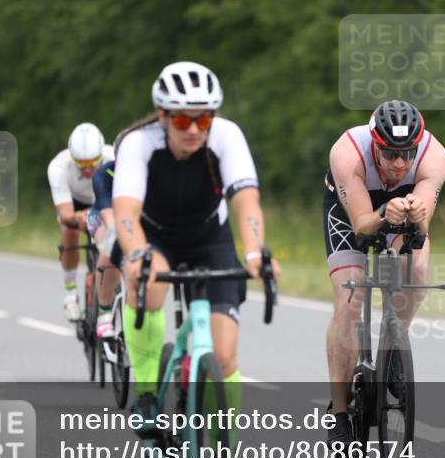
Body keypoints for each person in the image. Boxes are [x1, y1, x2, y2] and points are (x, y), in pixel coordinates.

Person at [113, 61, 280, 432]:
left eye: (202, 121)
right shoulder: (137, 143)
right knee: (149, 282)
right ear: (162, 115)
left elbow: (245, 200)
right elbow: (126, 210)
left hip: (208, 237)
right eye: (182, 121)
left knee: (223, 358)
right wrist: (138, 257)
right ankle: (146, 394)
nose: (193, 130)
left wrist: (254, 252)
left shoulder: (226, 136)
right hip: (155, 235)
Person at [322, 100, 445, 445]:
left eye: (407, 153)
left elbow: (420, 230)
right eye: (390, 153)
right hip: (352, 212)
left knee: (417, 265)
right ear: (373, 142)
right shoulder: (347, 151)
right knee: (351, 299)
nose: (399, 163)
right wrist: (383, 213)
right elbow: (363, 225)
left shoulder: (434, 156)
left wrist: (417, 215)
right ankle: (337, 410)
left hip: (401, 213)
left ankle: (394, 345)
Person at [47, 123, 115, 322]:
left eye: (93, 163)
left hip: (105, 198)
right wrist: (79, 218)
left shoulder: (114, 157)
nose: (88, 170)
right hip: (76, 203)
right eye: (81, 164)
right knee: (70, 232)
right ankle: (70, 293)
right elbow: (66, 214)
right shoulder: (59, 166)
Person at [86, 159, 122, 339]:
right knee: (109, 249)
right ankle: (105, 313)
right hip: (102, 216)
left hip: (130, 218)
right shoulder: (104, 173)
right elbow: (108, 214)